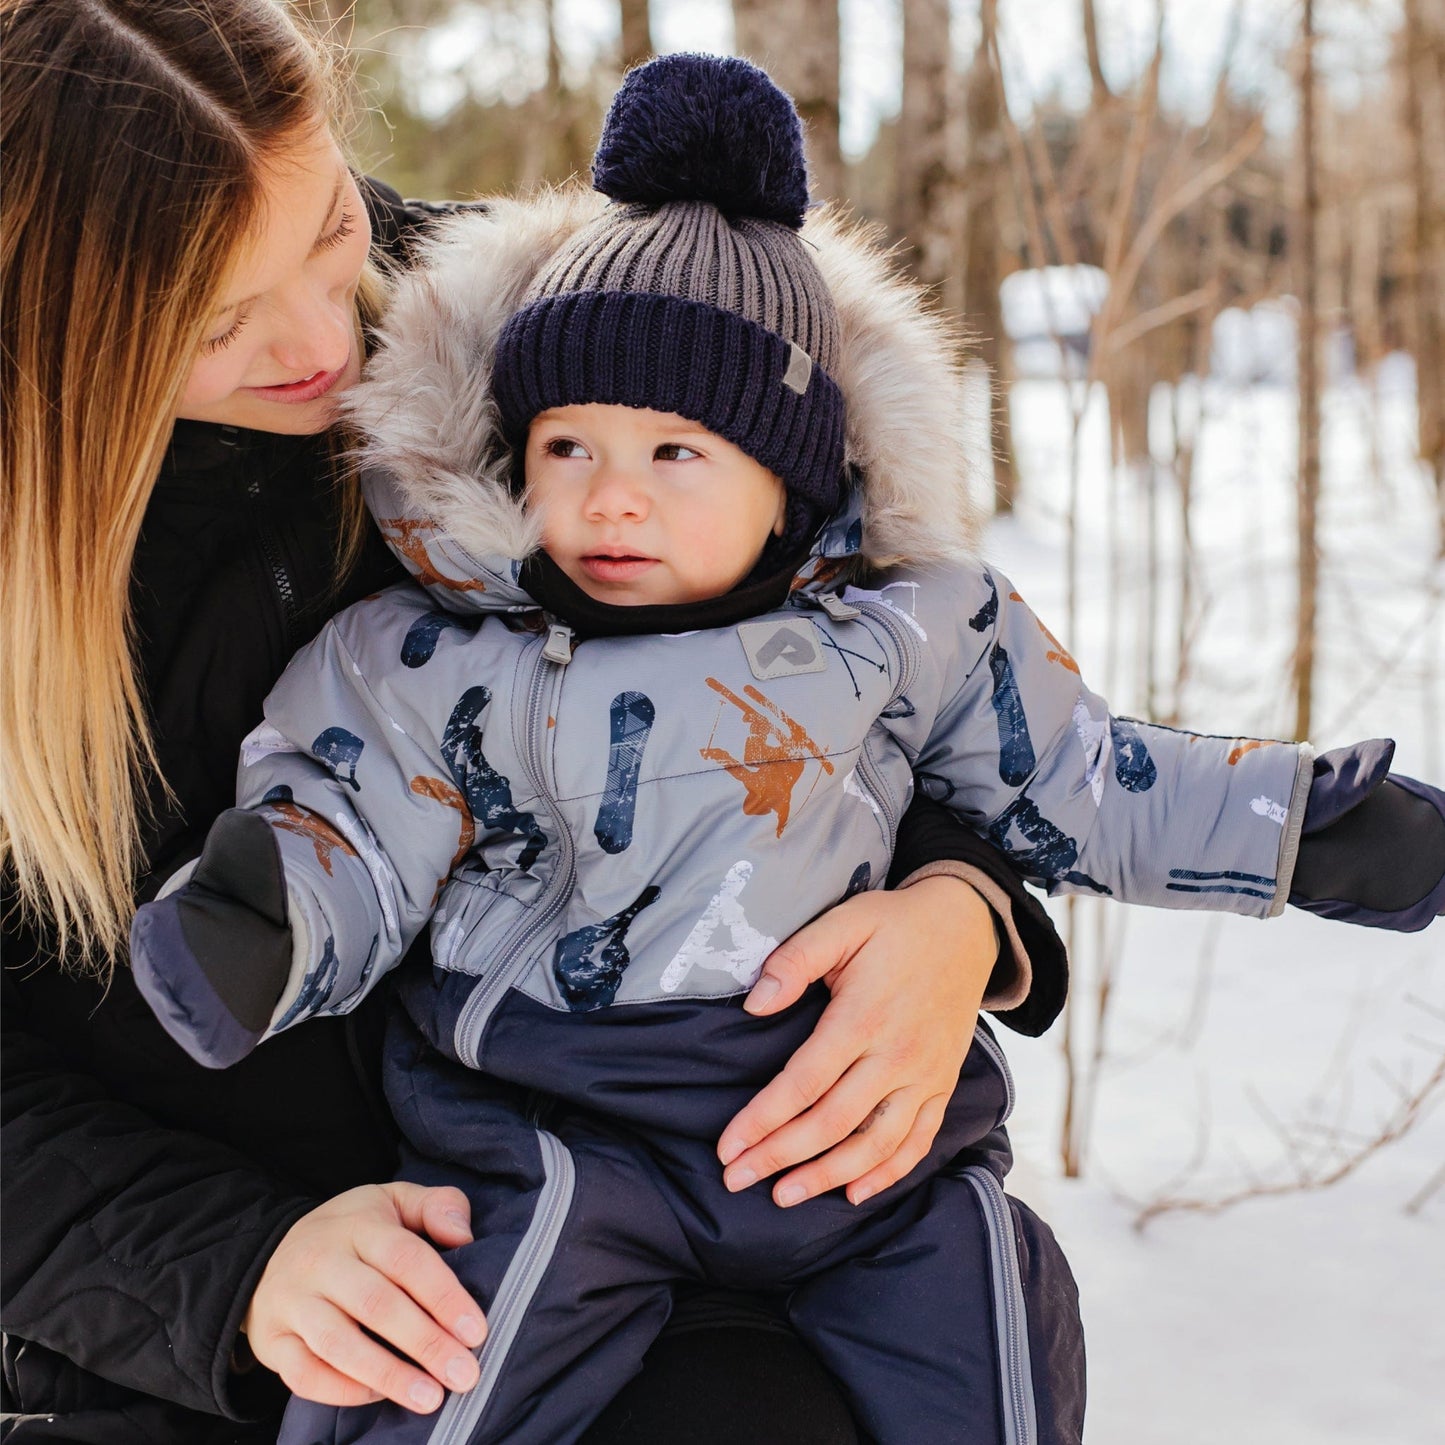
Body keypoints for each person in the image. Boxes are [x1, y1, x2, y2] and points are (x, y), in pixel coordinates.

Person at [129, 51, 1445, 1445]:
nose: (609, 496)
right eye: (568, 447)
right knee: (460, 1346)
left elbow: (1084, 779)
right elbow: (356, 818)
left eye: (674, 454)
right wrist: (264, 918)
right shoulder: (446, 653)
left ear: (792, 481)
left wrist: (1300, 829)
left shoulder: (916, 634)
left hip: (857, 1135)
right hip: (565, 1125)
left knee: (989, 1294)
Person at [0, 6, 1073, 1444]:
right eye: (215, 319)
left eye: (328, 231)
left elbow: (871, 658)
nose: (329, 341)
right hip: (199, 1331)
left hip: (661, 1222)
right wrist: (235, 1272)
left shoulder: (525, 349)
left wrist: (960, 897)